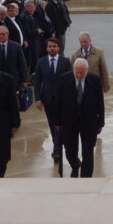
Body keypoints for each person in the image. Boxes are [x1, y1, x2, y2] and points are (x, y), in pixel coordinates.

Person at [56, 57, 104, 178]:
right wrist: (57, 122)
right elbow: (58, 102)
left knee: (88, 152)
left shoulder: (95, 80)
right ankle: (76, 164)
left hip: (89, 121)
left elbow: (100, 103)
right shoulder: (64, 79)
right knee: (70, 151)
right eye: (76, 72)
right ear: (73, 69)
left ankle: (85, 179)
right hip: (69, 121)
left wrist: (100, 123)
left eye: (81, 73)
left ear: (87, 70)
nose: (78, 75)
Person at [34, 37, 72, 168]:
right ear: (46, 48)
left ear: (58, 47)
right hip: (48, 99)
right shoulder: (41, 62)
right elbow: (37, 82)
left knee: (59, 125)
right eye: (49, 46)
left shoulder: (65, 61)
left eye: (54, 46)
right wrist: (38, 99)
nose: (52, 48)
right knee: (52, 125)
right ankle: (57, 147)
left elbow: (69, 81)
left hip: (62, 100)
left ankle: (57, 149)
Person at [0, 26, 28, 91]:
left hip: (14, 80)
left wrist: (24, 80)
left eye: (3, 34)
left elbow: (22, 64)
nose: (1, 36)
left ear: (7, 34)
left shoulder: (16, 46)